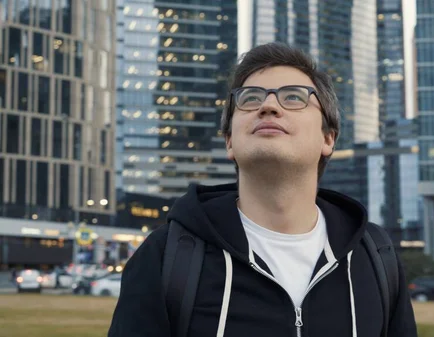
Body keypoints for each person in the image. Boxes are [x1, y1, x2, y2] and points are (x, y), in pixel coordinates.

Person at [108, 42, 417, 337]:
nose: (268, 105)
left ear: (328, 139)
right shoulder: (166, 256)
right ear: (230, 141)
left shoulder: (375, 257)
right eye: (251, 98)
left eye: (294, 97)